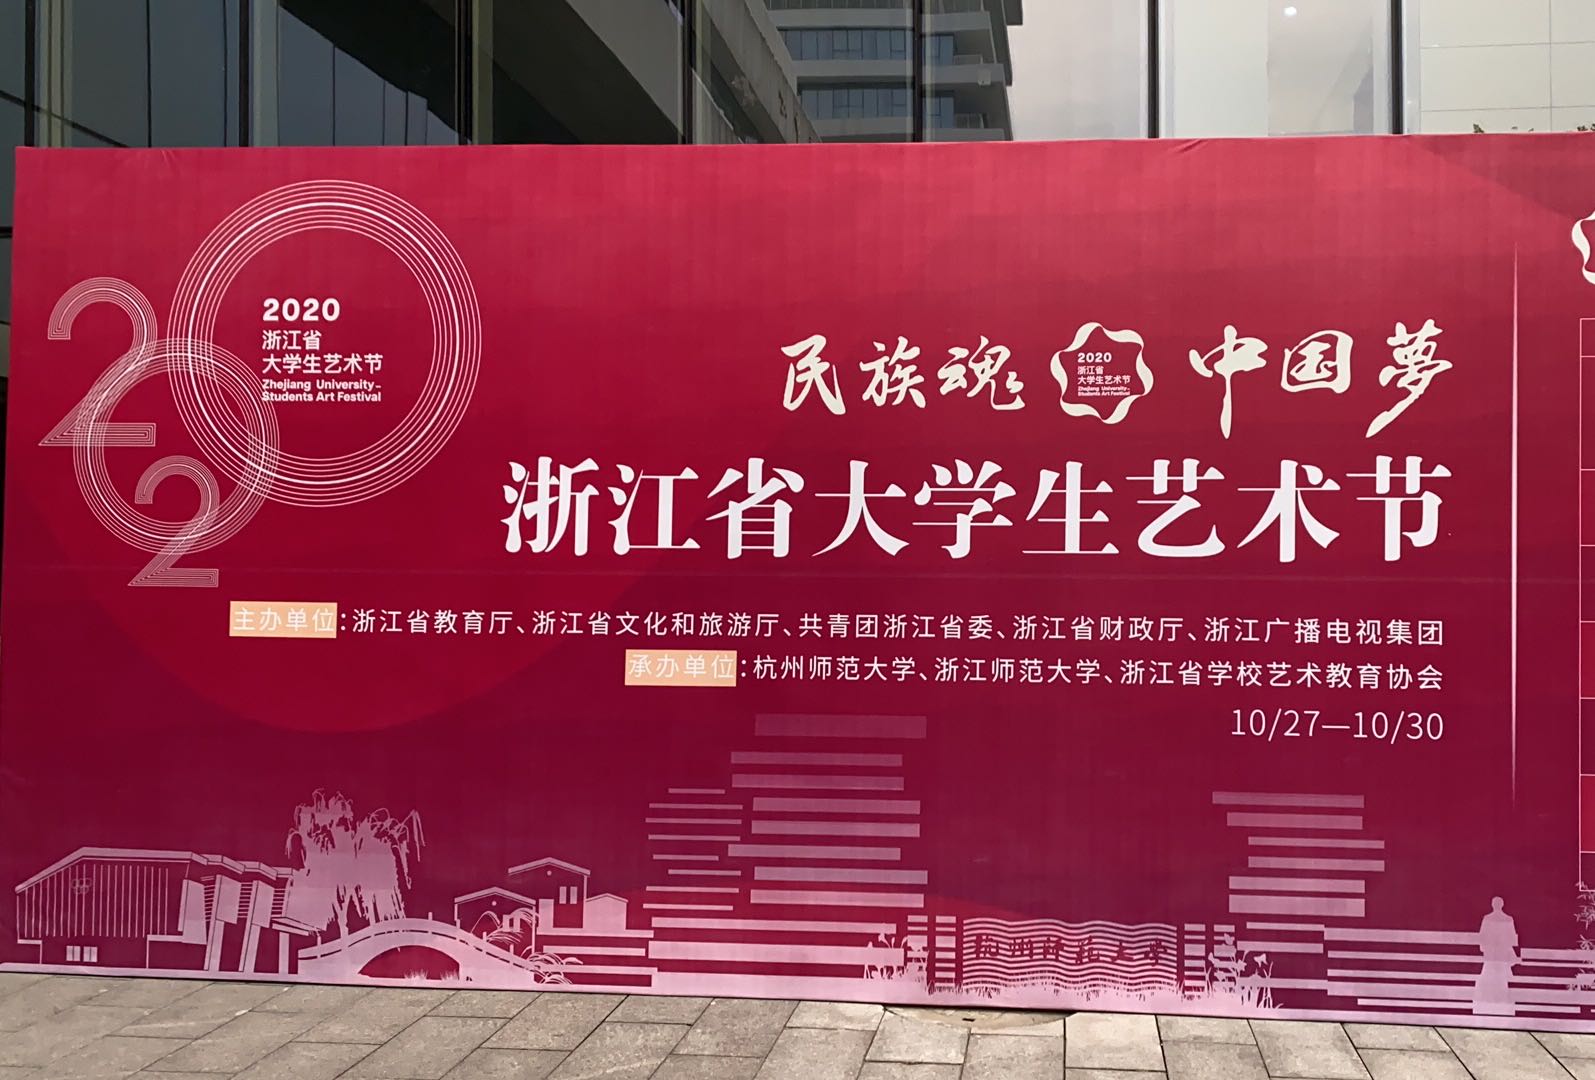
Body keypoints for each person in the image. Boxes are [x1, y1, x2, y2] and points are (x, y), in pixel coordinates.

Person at [1473, 896, 1518, 1016]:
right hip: (1502, 955)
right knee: (1501, 978)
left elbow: (1482, 937)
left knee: (1489, 976)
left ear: (1493, 905)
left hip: (1491, 955)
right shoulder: (1508, 919)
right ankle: (1501, 1000)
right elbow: (1512, 938)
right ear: (1502, 905)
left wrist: (1485, 949)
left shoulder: (1487, 918)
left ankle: (1489, 1000)